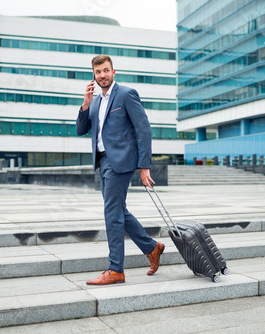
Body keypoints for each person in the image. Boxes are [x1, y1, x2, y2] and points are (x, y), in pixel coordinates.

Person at [76, 55, 165, 285]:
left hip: (121, 163)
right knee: (118, 211)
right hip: (103, 162)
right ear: (93, 75)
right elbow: (81, 129)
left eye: (106, 70)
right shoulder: (94, 102)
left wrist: (144, 166)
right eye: (98, 72)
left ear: (113, 72)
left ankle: (116, 269)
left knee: (112, 214)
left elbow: (143, 130)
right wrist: (85, 104)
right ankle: (152, 247)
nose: (102, 75)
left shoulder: (126, 94)